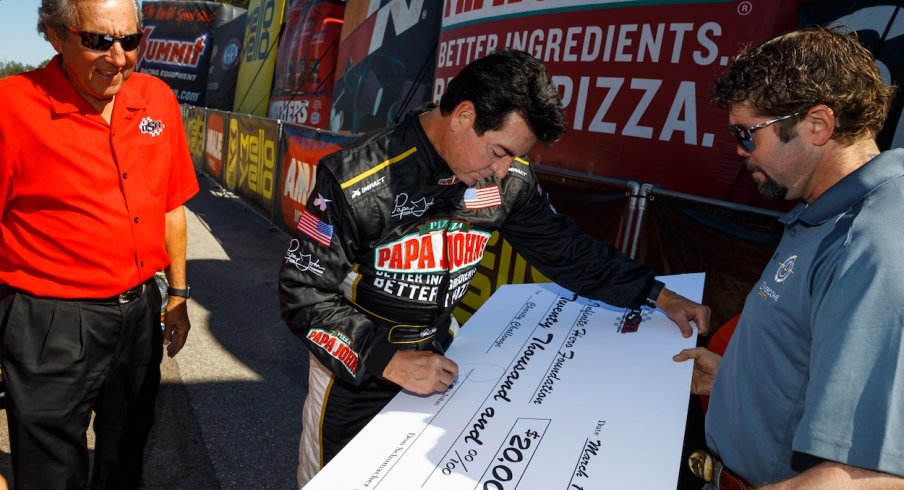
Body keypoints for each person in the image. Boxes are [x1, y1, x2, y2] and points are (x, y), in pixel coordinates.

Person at [279, 49, 711, 487]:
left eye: (513, 157)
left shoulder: (507, 179)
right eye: (499, 152)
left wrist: (656, 293)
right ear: (463, 116)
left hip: (443, 364)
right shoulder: (356, 180)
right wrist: (388, 360)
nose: (504, 170)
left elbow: (568, 250)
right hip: (358, 375)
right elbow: (303, 293)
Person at [674, 26, 904, 488]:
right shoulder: (824, 211)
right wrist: (735, 381)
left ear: (818, 125)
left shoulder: (873, 240)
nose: (738, 150)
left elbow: (864, 476)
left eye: (747, 133)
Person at [0, 0, 199, 487]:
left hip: (139, 315)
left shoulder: (156, 98)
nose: (119, 57)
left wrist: (177, 295)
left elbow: (172, 206)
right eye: (98, 41)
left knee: (126, 451)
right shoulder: (10, 107)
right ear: (55, 34)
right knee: (50, 471)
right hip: (48, 321)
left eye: (131, 41)